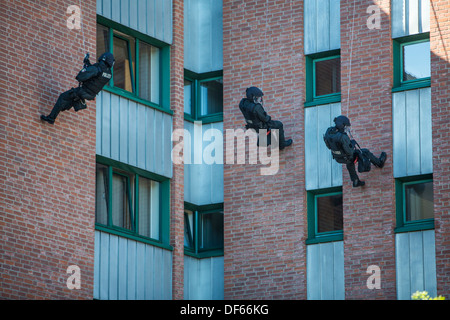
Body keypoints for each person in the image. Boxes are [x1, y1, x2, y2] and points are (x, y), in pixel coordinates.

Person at [40, 52, 115, 124]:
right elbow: (95, 76)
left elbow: (81, 77)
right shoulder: (108, 74)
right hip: (91, 95)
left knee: (63, 97)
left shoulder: (96, 69)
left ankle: (51, 118)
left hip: (83, 91)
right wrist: (87, 63)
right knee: (70, 100)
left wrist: (84, 69)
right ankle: (71, 103)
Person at [323, 115, 387, 187]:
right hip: (346, 156)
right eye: (346, 127)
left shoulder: (329, 131)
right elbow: (350, 151)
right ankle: (379, 163)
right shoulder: (343, 137)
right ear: (342, 125)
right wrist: (352, 144)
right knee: (364, 152)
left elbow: (328, 146)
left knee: (349, 162)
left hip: (338, 158)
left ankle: (355, 180)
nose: (347, 129)